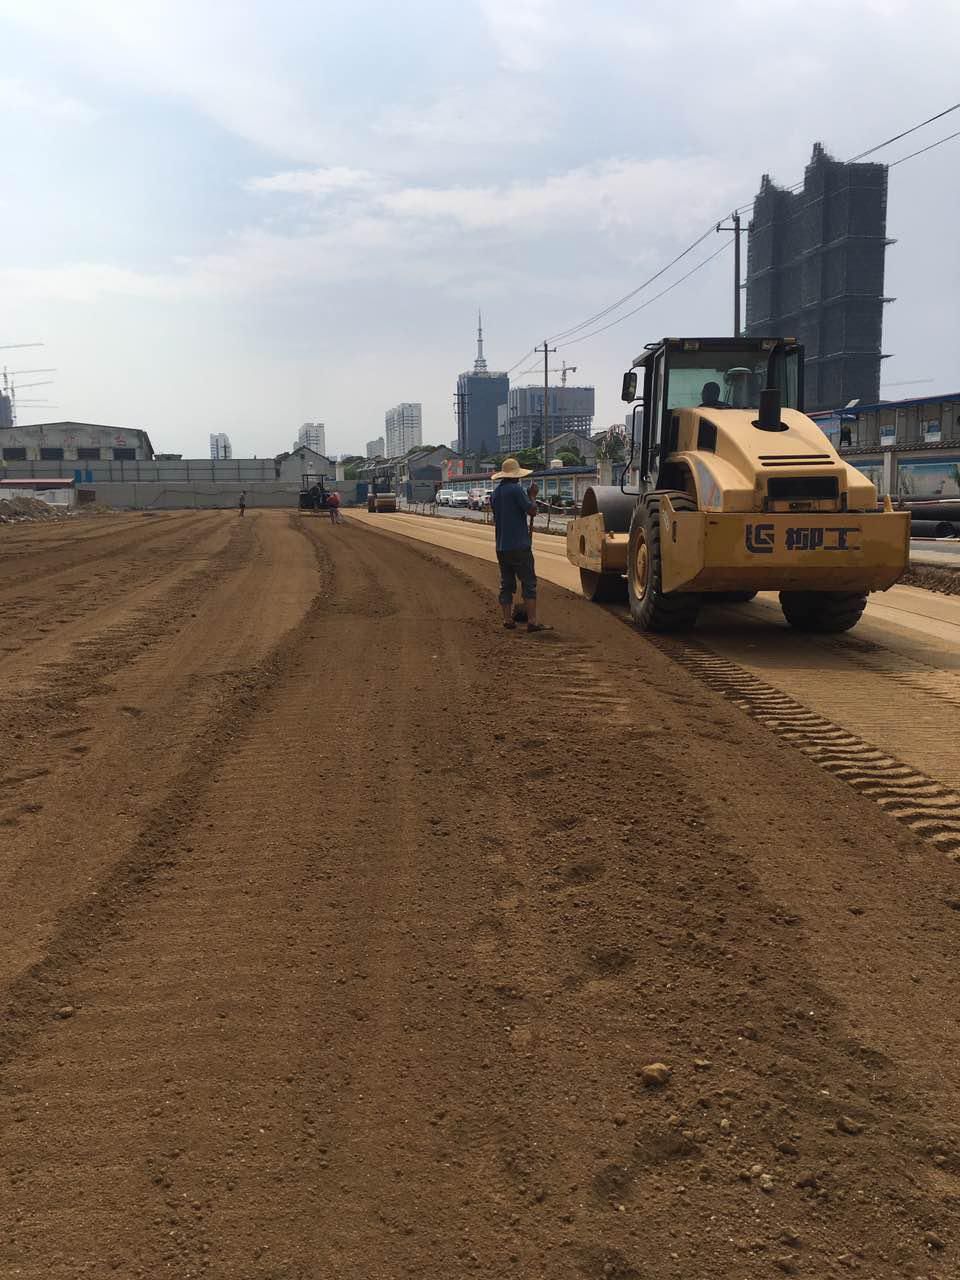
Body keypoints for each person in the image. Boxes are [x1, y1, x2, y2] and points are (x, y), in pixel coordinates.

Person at [489, 458, 549, 633]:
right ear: (516, 476)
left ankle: (508, 619)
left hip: (502, 546)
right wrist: (532, 496)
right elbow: (532, 510)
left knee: (506, 583)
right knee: (529, 582)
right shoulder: (516, 490)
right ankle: (532, 621)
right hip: (520, 545)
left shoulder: (495, 494)